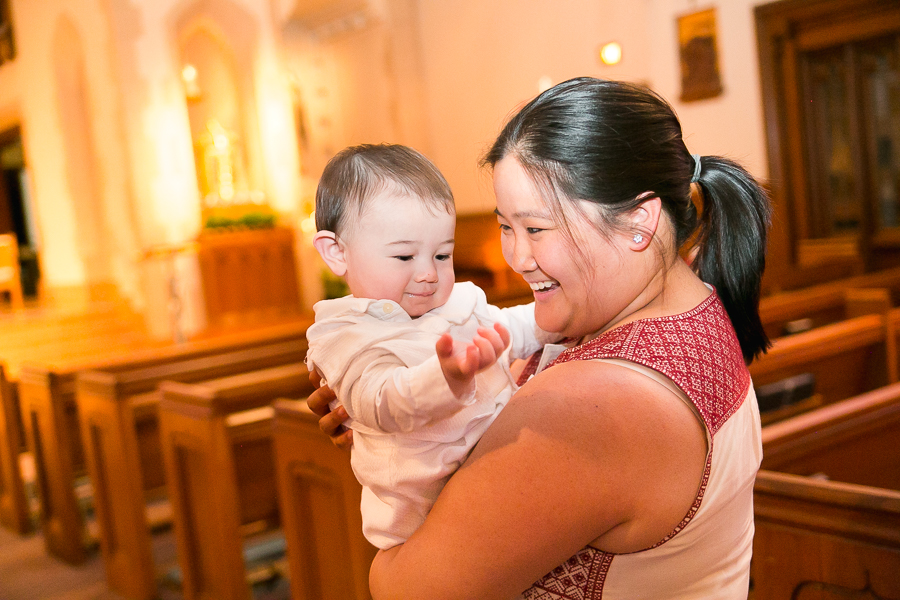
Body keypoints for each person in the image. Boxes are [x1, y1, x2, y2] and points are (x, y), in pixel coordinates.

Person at [310, 77, 770, 599]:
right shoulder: (694, 305)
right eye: (506, 226)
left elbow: (406, 588)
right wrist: (402, 410)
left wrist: (397, 467)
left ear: (639, 222)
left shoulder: (593, 406)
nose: (517, 258)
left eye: (536, 229)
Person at [306, 143, 559, 550]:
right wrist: (444, 377)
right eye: (405, 256)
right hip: (419, 521)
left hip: (495, 488)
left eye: (443, 254)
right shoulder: (346, 334)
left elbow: (511, 328)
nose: (428, 273)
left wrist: (557, 320)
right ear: (337, 253)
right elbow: (379, 400)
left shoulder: (457, 304)